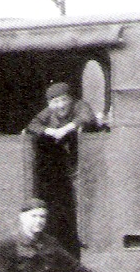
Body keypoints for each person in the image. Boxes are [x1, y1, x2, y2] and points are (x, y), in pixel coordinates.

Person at [24, 82, 99, 257]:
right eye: (55, 102)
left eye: (64, 100)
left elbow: (86, 117)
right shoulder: (49, 112)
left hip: (83, 162)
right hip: (64, 164)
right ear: (50, 104)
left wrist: (66, 128)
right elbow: (33, 124)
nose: (60, 105)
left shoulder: (80, 106)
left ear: (70, 99)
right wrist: (49, 131)